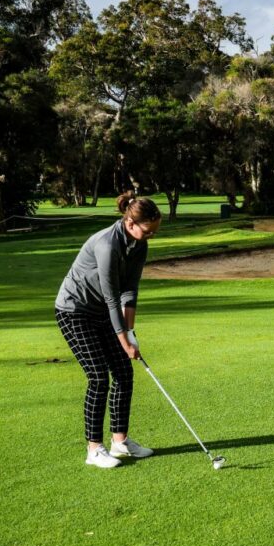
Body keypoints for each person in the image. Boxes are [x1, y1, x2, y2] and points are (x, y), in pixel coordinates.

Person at [55, 191, 162, 468]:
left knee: (124, 373)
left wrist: (131, 331)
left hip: (101, 312)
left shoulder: (139, 246)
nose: (151, 236)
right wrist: (124, 341)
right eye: (148, 231)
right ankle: (94, 449)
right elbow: (112, 295)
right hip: (74, 311)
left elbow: (130, 290)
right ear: (130, 224)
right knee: (98, 377)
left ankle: (120, 442)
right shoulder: (106, 244)